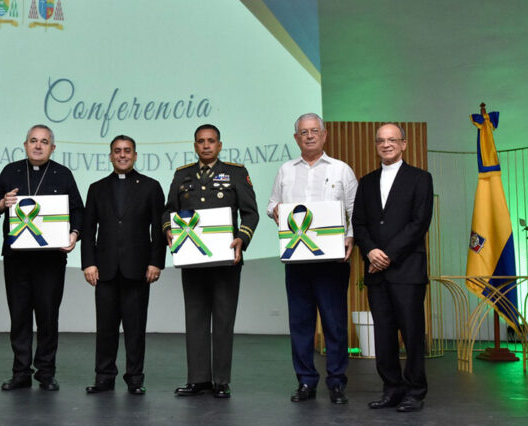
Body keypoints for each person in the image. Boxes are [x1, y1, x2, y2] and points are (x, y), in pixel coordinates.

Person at [266, 113, 357, 404]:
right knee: (301, 324)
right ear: (296, 138)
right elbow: (271, 205)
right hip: (297, 260)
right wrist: (277, 211)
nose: (309, 136)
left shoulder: (342, 170)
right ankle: (305, 381)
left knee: (334, 323)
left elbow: (354, 211)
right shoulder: (285, 170)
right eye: (303, 132)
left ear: (324, 134)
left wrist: (350, 238)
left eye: (314, 131)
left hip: (332, 261)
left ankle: (337, 381)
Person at [163, 124, 258, 398]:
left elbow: (250, 213)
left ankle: (221, 380)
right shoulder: (182, 175)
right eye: (201, 141)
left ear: (219, 145)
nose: (206, 145)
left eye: (211, 141)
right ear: (195, 146)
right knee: (195, 319)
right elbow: (169, 210)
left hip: (227, 259)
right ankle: (198, 379)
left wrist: (243, 238)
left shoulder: (236, 173)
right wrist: (168, 229)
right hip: (192, 259)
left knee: (224, 320)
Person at [0, 124, 84, 392]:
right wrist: (1, 203)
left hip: (50, 261)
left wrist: (74, 234)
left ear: (52, 148)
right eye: (33, 140)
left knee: (47, 317)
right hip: (17, 259)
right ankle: (20, 372)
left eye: (44, 142)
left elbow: (78, 210)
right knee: (19, 316)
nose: (38, 145)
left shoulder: (63, 174)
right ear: (25, 144)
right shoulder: (11, 172)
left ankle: (46, 372)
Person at [352, 123, 433, 413]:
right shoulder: (367, 181)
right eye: (381, 141)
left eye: (392, 140)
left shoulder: (421, 178)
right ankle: (392, 389)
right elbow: (359, 223)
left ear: (404, 144)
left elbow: (419, 223)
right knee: (383, 335)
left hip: (407, 270)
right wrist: (371, 251)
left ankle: (415, 391)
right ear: (377, 145)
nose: (386, 145)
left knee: (412, 335)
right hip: (376, 271)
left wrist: (387, 254)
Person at [80, 135, 166, 395]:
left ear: (135, 155)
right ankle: (104, 378)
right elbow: (88, 228)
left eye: (127, 151)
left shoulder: (151, 187)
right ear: (110, 156)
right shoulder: (96, 188)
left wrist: (156, 262)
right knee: (105, 329)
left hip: (138, 269)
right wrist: (88, 264)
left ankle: (135, 379)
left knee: (135, 328)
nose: (122, 155)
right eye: (117, 151)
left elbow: (158, 230)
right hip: (104, 270)